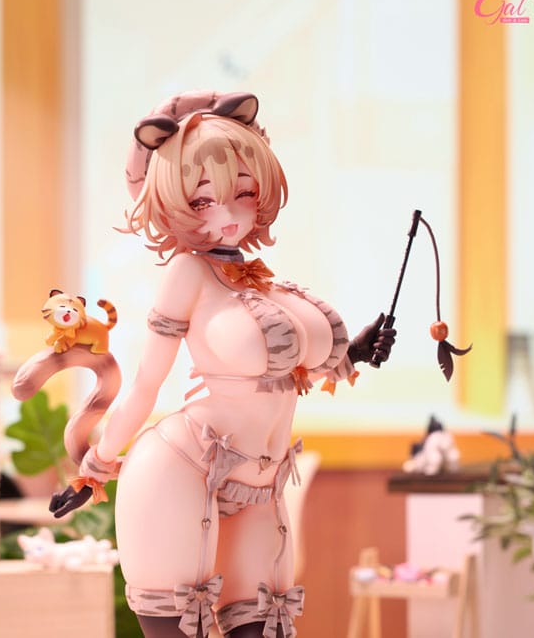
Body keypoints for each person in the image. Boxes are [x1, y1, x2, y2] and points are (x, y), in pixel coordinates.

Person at [49, 91, 395, 638]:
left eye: (244, 193)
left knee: (264, 625)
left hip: (260, 484)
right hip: (181, 467)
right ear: (175, 203)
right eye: (204, 201)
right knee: (180, 625)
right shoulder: (188, 273)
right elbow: (147, 383)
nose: (229, 214)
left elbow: (286, 376)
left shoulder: (260, 279)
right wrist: (96, 468)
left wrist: (351, 353)